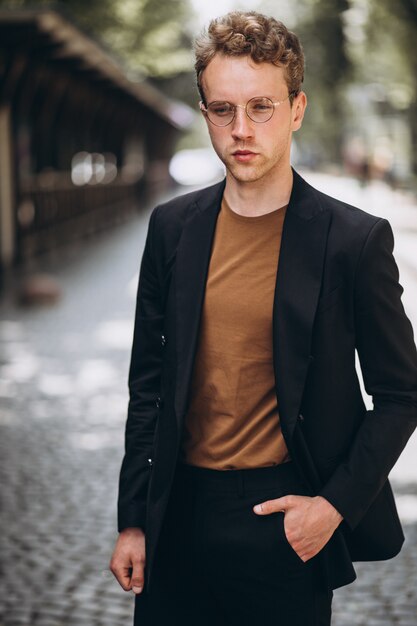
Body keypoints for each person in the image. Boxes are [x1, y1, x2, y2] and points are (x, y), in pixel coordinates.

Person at [110, 11, 417, 626]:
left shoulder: (353, 242)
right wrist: (135, 520)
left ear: (297, 109)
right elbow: (148, 388)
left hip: (283, 521)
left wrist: (330, 508)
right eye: (222, 110)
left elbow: (401, 394)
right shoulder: (171, 230)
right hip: (178, 518)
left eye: (262, 107)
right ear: (205, 115)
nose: (241, 129)